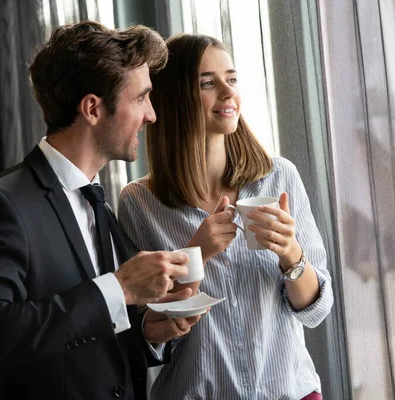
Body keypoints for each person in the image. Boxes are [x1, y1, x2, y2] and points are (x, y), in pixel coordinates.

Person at [0, 21, 201, 400]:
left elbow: (93, 345)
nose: (151, 115)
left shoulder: (99, 204)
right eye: (140, 98)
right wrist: (118, 289)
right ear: (92, 108)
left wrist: (149, 331)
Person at [118, 33, 334, 400]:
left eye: (231, 79)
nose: (228, 92)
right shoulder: (140, 203)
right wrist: (194, 256)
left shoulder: (280, 177)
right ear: (174, 99)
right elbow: (146, 331)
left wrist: (290, 254)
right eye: (208, 83)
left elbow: (315, 311)